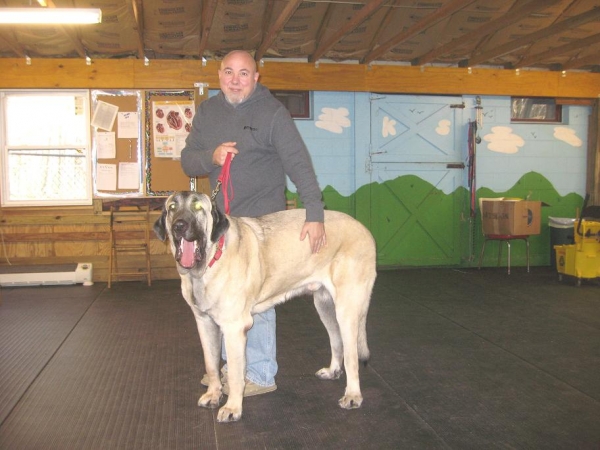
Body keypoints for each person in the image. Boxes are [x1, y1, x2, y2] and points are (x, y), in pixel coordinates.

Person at [180, 50, 326, 396]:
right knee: (225, 300)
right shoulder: (208, 112)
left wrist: (315, 213)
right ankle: (234, 371)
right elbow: (188, 161)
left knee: (255, 298)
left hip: (263, 225)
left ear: (256, 78)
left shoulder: (273, 113)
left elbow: (299, 164)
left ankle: (259, 375)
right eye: (229, 72)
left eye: (244, 73)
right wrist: (210, 156)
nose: (235, 79)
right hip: (220, 227)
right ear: (219, 75)